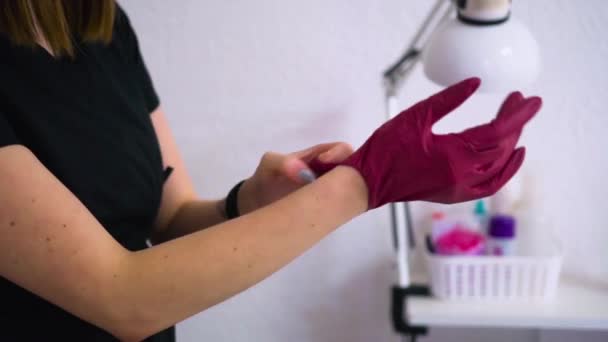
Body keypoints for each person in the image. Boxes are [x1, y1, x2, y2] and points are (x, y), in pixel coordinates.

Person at [0, 1, 542, 341]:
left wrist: (247, 203)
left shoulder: (104, 25)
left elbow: (169, 220)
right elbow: (121, 298)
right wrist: (367, 181)